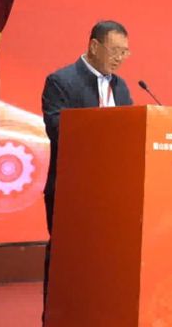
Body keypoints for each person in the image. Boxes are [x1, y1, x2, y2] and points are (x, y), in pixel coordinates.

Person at [41, 20, 133, 319]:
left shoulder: (121, 87)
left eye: (125, 52)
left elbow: (131, 131)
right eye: (115, 50)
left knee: (104, 262)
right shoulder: (61, 81)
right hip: (72, 191)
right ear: (94, 46)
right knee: (67, 260)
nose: (120, 58)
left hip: (111, 193)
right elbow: (59, 130)